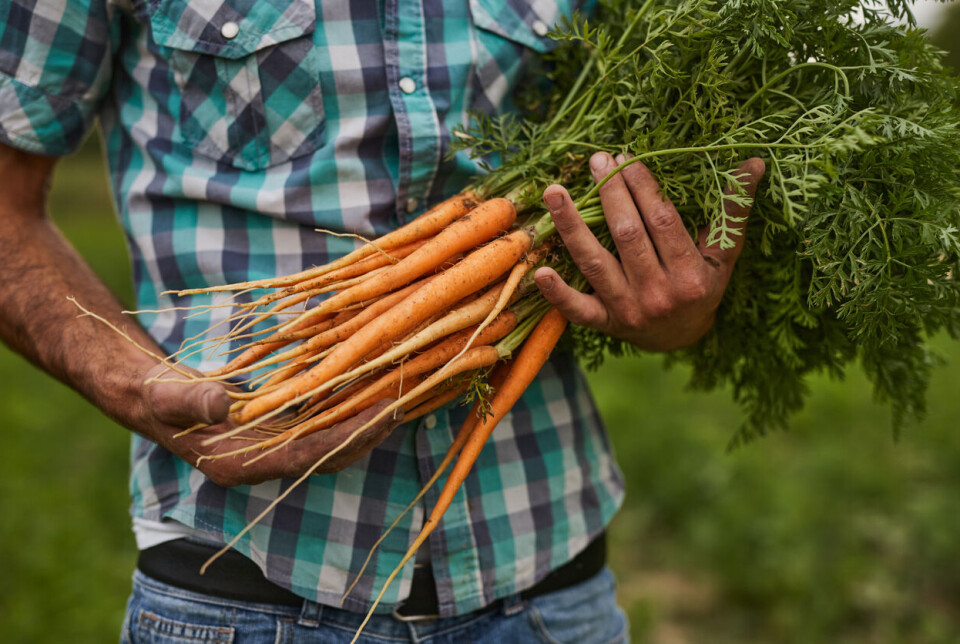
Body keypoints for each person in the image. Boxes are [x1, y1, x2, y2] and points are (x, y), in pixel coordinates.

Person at [0, 0, 763, 641]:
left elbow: (644, 172)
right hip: (237, 584)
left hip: (548, 588)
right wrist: (140, 388)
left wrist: (673, 310)